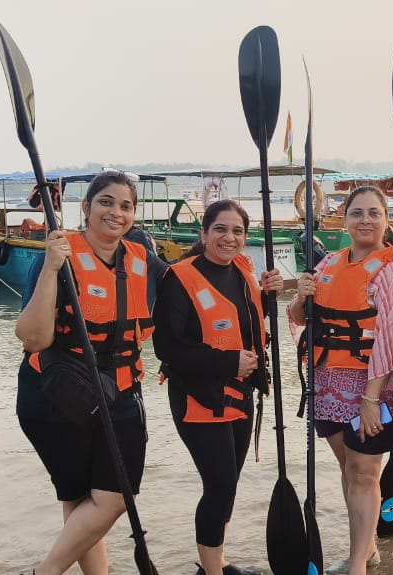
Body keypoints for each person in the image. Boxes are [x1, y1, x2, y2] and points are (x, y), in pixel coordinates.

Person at [14, 170, 167, 575]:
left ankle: (43, 572)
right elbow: (33, 338)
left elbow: (189, 296)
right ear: (86, 206)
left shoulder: (144, 262)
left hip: (118, 391)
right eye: (105, 202)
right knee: (79, 497)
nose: (115, 212)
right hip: (54, 394)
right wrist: (50, 269)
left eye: (125, 205)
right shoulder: (56, 258)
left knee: (113, 498)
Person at [287, 186, 393, 574]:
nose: (365, 221)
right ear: (343, 220)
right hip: (328, 382)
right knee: (349, 469)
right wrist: (299, 297)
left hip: (372, 387)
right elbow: (299, 320)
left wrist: (371, 397)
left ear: (385, 220)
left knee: (364, 471)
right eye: (357, 213)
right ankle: (369, 547)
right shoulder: (328, 263)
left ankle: (359, 562)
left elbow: (391, 338)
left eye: (374, 213)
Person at [152, 199, 283, 575]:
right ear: (205, 233)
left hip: (240, 395)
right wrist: (227, 363)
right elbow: (168, 348)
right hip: (199, 397)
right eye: (221, 230)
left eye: (237, 231)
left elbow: (247, 321)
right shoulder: (179, 277)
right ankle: (211, 571)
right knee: (220, 483)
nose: (230, 238)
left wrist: (270, 293)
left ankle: (217, 560)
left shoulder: (242, 270)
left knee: (229, 482)